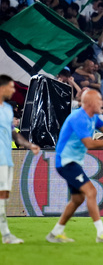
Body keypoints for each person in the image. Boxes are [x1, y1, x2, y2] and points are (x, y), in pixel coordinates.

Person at [46, 90, 103, 244]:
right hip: (66, 162)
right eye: (99, 99)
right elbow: (90, 144)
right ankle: (101, 233)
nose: (102, 102)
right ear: (89, 103)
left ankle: (55, 233)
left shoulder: (92, 117)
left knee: (77, 199)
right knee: (91, 191)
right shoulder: (78, 118)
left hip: (73, 161)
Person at [0, 75, 40, 244]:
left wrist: (29, 145)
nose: (13, 90)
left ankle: (6, 234)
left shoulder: (8, 110)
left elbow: (14, 134)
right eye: (10, 87)